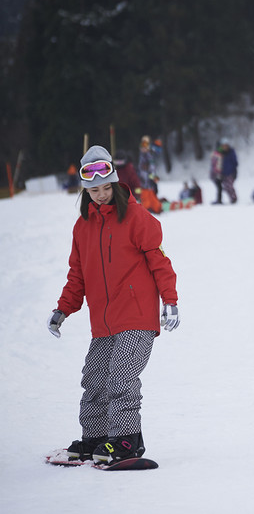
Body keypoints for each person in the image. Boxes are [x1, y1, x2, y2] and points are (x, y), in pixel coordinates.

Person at [46, 145, 180, 465]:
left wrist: (170, 301)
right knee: (94, 378)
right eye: (94, 190)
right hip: (103, 322)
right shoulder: (83, 227)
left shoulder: (137, 218)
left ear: (116, 184)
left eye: (106, 188)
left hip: (136, 316)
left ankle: (125, 441)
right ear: (85, 190)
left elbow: (161, 263)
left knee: (121, 376)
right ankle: (95, 438)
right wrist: (63, 309)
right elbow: (77, 274)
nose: (101, 195)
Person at [219, 138, 239, 204]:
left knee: (230, 185)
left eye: (225, 145)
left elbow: (235, 162)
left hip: (231, 172)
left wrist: (234, 171)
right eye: (223, 146)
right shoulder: (221, 153)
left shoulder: (231, 152)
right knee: (225, 186)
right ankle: (231, 197)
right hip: (223, 173)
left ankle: (234, 198)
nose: (224, 147)